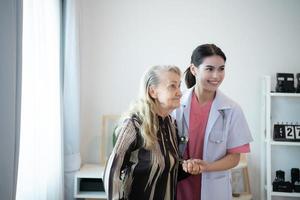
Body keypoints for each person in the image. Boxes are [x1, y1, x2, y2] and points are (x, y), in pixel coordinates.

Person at [174, 44, 253, 200]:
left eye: (221, 69)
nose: (216, 76)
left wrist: (207, 167)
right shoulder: (175, 105)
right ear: (194, 69)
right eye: (209, 69)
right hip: (180, 186)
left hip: (214, 188)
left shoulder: (232, 109)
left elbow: (234, 157)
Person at [104, 65, 183, 200]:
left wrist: (188, 166)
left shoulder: (172, 124)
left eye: (179, 86)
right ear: (153, 92)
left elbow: (167, 168)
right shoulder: (133, 125)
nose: (180, 92)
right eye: (172, 86)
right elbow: (111, 172)